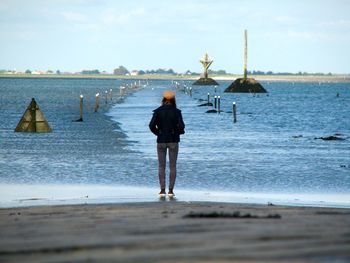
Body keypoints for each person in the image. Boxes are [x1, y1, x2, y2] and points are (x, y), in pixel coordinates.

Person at [149, 90, 185, 197]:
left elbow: (151, 125)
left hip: (161, 140)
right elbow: (182, 126)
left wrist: (158, 133)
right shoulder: (177, 112)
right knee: (173, 166)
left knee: (161, 166)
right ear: (173, 100)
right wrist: (178, 132)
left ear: (163, 99)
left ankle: (162, 190)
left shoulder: (158, 111)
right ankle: (171, 191)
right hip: (173, 140)